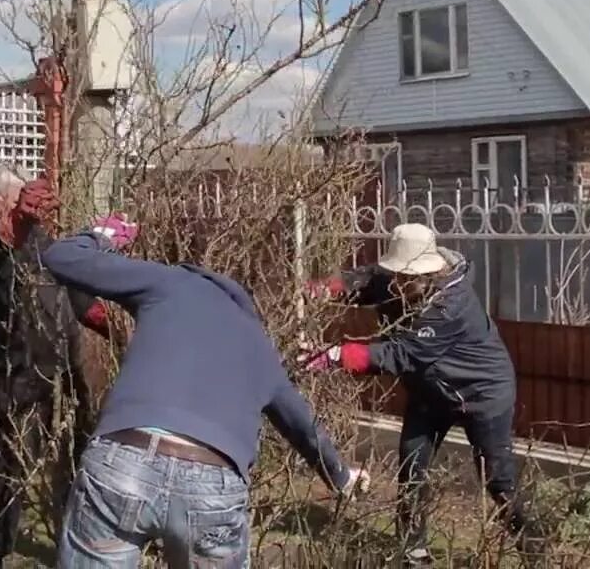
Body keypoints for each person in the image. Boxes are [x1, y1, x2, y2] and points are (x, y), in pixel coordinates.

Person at [39, 212, 369, 569]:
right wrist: (340, 476)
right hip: (212, 480)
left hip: (124, 459)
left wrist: (105, 236)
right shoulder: (259, 344)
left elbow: (62, 257)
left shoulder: (168, 283)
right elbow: (302, 426)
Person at [301, 223, 531, 567]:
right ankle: (414, 554)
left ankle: (534, 547)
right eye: (399, 276)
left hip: (482, 393)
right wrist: (320, 289)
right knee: (412, 467)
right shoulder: (393, 278)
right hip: (430, 390)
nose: (401, 284)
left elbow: (400, 354)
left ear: (432, 271)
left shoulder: (449, 304)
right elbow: (362, 281)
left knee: (498, 480)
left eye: (412, 279)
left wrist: (333, 356)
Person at [0, 164, 114, 569]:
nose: (26, 208)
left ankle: (67, 540)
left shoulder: (38, 237)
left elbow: (68, 284)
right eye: (16, 200)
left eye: (26, 201)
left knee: (60, 453)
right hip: (4, 368)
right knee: (6, 458)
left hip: (50, 367)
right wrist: (15, 223)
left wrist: (112, 322)